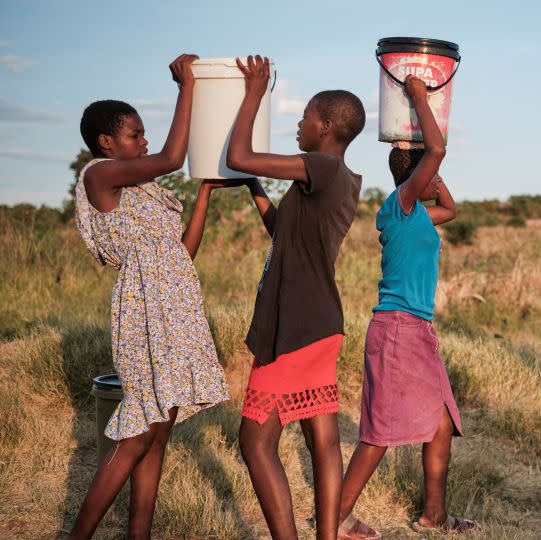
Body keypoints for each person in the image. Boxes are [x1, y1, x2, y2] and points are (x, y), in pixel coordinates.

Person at [67, 54, 232, 539]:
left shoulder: (145, 190)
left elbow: (182, 254)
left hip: (177, 309)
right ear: (106, 141)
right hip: (142, 312)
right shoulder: (99, 175)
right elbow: (172, 158)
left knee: (159, 430)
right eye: (136, 134)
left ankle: (139, 535)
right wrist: (188, 88)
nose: (145, 141)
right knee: (138, 430)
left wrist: (203, 195)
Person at [227, 55, 366, 539]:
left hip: (297, 327)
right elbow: (284, 234)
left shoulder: (321, 167)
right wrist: (256, 191)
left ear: (325, 126)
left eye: (305, 117)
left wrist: (253, 92)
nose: (298, 124)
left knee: (255, 441)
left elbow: (241, 154)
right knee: (321, 438)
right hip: (321, 322)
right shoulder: (340, 180)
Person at [337, 76, 474, 539]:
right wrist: (419, 97)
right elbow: (434, 152)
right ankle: (335, 517)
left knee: (440, 423)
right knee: (377, 433)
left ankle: (433, 515)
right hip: (397, 329)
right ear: (413, 177)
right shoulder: (400, 204)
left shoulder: (417, 214)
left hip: (417, 331)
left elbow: (451, 210)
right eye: (425, 173)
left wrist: (435, 180)